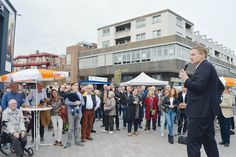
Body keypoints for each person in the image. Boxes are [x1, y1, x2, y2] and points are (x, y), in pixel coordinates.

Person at [179, 45, 224, 157]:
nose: (190, 57)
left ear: (202, 55)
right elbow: (220, 86)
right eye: (190, 55)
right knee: (209, 142)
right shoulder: (206, 67)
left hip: (199, 112)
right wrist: (210, 100)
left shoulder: (205, 66)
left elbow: (198, 86)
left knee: (193, 143)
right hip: (205, 112)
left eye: (193, 54)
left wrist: (186, 80)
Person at [64, 82, 85, 148]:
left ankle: (77, 141)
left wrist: (80, 103)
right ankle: (68, 142)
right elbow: (66, 102)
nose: (77, 86)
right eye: (75, 85)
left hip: (79, 113)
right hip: (71, 113)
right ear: (72, 86)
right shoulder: (68, 94)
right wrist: (75, 103)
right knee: (70, 128)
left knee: (78, 127)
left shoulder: (80, 94)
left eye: (77, 85)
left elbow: (83, 103)